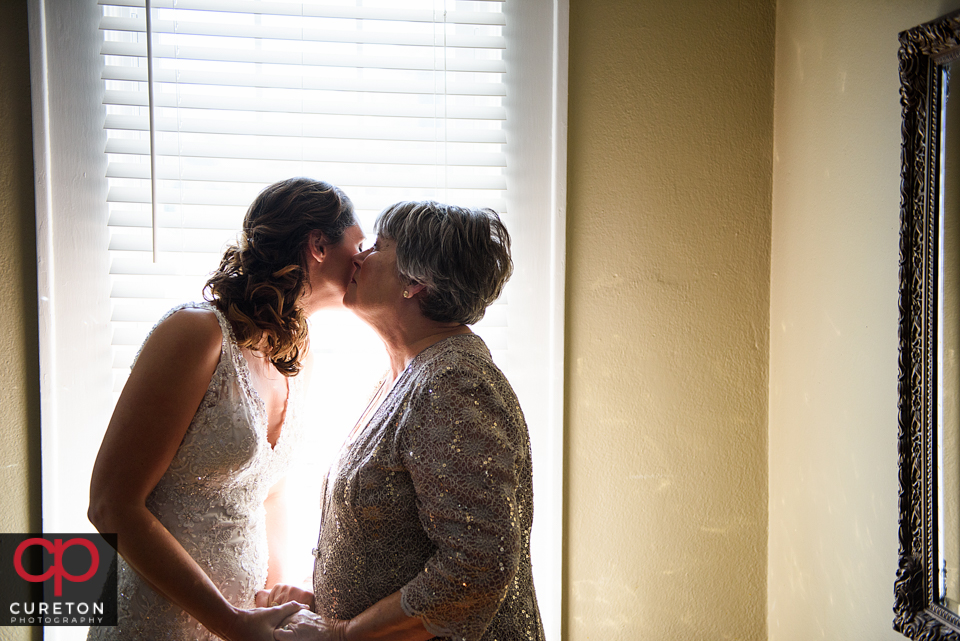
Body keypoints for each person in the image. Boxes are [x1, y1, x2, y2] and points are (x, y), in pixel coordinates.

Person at [87, 178, 364, 641]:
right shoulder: (196, 335)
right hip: (156, 620)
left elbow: (270, 493)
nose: (364, 262)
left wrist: (277, 598)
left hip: (245, 622)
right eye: (358, 246)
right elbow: (111, 505)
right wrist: (230, 623)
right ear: (318, 244)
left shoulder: (298, 357)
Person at [260, 201, 545, 641]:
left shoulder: (454, 381)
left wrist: (343, 634)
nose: (358, 256)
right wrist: (322, 601)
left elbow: (478, 563)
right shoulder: (404, 375)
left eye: (378, 246)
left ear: (416, 281)